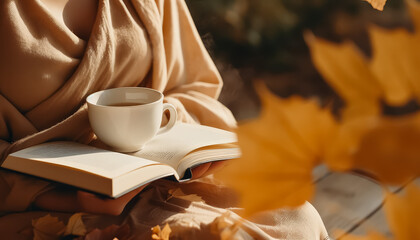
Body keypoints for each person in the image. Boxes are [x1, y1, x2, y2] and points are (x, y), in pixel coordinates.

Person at [0, 0, 329, 239]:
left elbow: (191, 85)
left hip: (155, 180)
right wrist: (53, 195)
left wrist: (184, 152)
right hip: (33, 201)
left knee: (294, 216)